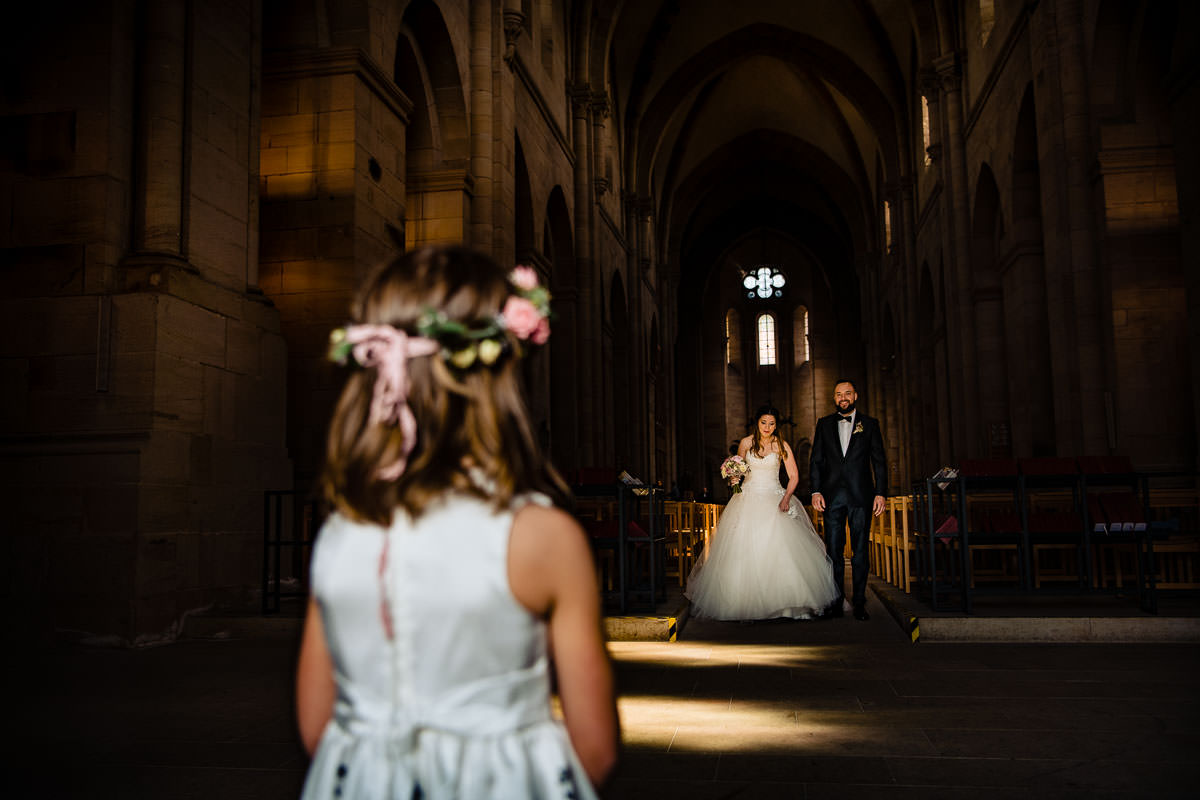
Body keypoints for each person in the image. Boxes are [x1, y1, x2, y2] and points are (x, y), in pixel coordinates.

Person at [295, 246, 619, 798]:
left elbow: (315, 724)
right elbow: (595, 747)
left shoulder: (342, 528)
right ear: (497, 376)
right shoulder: (541, 537)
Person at [684, 405, 840, 621]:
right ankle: (743, 603)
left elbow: (794, 476)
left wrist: (786, 498)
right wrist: (734, 480)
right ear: (757, 422)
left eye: (772, 423)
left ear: (777, 425)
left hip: (775, 497)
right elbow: (738, 469)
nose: (768, 427)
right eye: (764, 422)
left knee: (781, 549)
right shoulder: (746, 443)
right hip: (747, 499)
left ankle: (787, 603)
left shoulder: (781, 444)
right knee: (744, 550)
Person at [809, 379, 888, 621]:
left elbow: (879, 461)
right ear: (834, 399)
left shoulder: (870, 425)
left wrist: (881, 493)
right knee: (833, 550)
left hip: (861, 496)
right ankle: (836, 600)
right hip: (831, 497)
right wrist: (815, 491)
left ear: (855, 396)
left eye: (847, 393)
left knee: (860, 550)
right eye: (838, 394)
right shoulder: (823, 425)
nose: (843, 397)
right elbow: (816, 461)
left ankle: (860, 601)